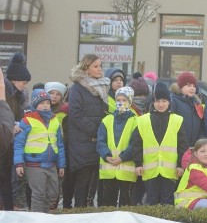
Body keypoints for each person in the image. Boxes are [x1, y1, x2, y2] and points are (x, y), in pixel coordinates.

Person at [132, 82, 188, 205]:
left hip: (170, 170)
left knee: (167, 201)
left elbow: (182, 145)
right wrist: (138, 164)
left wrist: (180, 165)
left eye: (164, 101)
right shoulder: (143, 120)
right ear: (153, 102)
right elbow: (136, 144)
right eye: (157, 101)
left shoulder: (177, 120)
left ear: (169, 102)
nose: (161, 104)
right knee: (151, 200)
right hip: (149, 169)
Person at [66, 54, 109, 208]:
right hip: (82, 142)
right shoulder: (77, 88)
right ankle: (79, 212)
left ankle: (88, 213)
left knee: (93, 181)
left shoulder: (103, 87)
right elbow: (75, 114)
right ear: (86, 68)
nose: (100, 69)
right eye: (96, 66)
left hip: (96, 141)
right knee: (82, 181)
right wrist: (95, 130)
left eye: (100, 66)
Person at [13, 89, 66, 213]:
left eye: (47, 103)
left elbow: (59, 144)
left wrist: (61, 164)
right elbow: (19, 144)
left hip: (51, 164)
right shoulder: (27, 120)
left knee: (53, 192)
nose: (46, 106)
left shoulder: (55, 120)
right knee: (39, 194)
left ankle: (44, 215)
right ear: (35, 105)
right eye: (42, 103)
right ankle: (37, 219)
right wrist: (19, 163)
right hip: (34, 164)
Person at [96, 86, 137, 207]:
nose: (121, 103)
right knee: (108, 202)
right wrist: (106, 156)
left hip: (126, 170)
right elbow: (100, 141)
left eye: (124, 100)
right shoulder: (106, 120)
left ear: (130, 102)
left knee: (125, 203)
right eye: (118, 100)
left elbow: (135, 144)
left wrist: (122, 158)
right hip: (108, 169)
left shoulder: (136, 121)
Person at [1, 52, 30, 210]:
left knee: (6, 177)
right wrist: (11, 125)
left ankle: (8, 209)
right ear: (14, 79)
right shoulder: (4, 93)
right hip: (3, 139)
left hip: (9, 141)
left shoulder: (19, 95)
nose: (24, 86)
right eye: (23, 82)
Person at [170, 72, 206, 146]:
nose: (192, 88)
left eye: (194, 86)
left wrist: (199, 143)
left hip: (195, 147)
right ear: (180, 87)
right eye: (188, 85)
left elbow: (202, 125)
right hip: (179, 146)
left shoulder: (197, 103)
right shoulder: (173, 102)